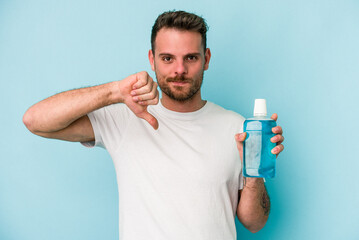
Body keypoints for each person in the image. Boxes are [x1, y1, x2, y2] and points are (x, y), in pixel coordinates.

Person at [23, 10, 284, 240]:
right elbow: (35, 120)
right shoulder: (124, 119)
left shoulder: (237, 127)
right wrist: (114, 91)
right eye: (168, 58)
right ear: (152, 59)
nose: (179, 70)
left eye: (191, 58)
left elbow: (254, 223)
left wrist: (254, 172)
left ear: (206, 59)